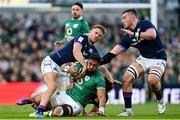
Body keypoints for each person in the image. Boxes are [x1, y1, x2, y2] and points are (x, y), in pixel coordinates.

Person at [28, 24, 106, 118]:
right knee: (53, 85)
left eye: (99, 35)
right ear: (91, 31)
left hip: (63, 69)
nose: (97, 35)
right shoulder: (82, 38)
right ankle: (40, 111)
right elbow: (76, 51)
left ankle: (35, 102)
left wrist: (110, 78)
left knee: (62, 92)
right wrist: (84, 65)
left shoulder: (93, 51)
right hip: (52, 61)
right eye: (96, 32)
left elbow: (100, 65)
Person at [101, 9, 167, 116]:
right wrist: (101, 60)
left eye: (124, 18)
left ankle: (160, 99)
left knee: (152, 81)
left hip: (158, 58)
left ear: (132, 18)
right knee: (126, 79)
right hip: (144, 58)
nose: (122, 21)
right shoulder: (127, 36)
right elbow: (116, 49)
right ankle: (128, 111)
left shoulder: (144, 24)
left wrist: (134, 33)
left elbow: (152, 35)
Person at [28, 53, 106, 117]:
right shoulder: (80, 66)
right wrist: (68, 70)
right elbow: (63, 67)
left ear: (98, 65)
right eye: (90, 64)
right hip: (65, 94)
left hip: (76, 104)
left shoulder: (99, 78)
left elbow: (101, 96)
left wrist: (101, 110)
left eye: (94, 65)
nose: (91, 66)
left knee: (58, 112)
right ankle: (41, 107)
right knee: (35, 98)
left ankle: (44, 113)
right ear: (87, 61)